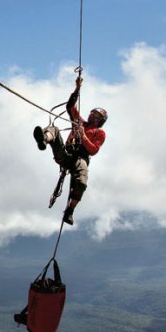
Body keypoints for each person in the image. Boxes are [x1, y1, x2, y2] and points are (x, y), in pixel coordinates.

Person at [33, 76, 107, 225]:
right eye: (92, 112)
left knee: (82, 181)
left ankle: (70, 211)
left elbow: (93, 150)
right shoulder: (79, 121)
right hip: (66, 154)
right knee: (54, 129)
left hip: (80, 159)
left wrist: (83, 135)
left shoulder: (99, 133)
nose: (91, 113)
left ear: (100, 120)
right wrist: (77, 89)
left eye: (95, 114)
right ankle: (44, 140)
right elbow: (70, 107)